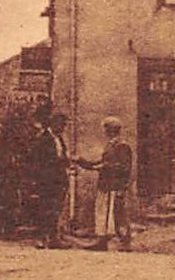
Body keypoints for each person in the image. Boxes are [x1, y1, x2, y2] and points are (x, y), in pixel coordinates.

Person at [75, 116, 134, 251]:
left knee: (118, 214)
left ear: (112, 129)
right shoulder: (110, 145)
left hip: (115, 185)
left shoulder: (122, 146)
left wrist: (106, 167)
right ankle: (102, 241)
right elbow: (99, 162)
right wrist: (82, 161)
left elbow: (124, 168)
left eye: (106, 128)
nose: (105, 131)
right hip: (106, 185)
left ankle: (125, 242)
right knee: (103, 213)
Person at [29, 107, 71, 249]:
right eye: (62, 124)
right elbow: (37, 160)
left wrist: (67, 160)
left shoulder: (59, 139)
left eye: (65, 125)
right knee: (44, 208)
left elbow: (61, 156)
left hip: (59, 179)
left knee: (55, 209)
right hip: (46, 180)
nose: (63, 128)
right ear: (54, 123)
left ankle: (53, 239)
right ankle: (40, 238)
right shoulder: (43, 138)